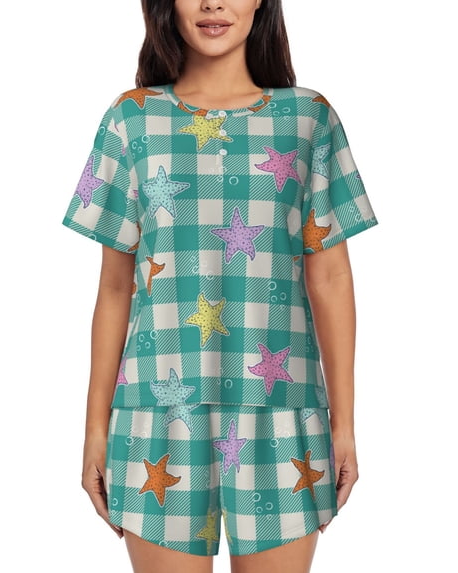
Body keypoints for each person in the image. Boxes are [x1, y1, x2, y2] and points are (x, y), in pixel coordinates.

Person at [62, 0, 378, 571]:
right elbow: (113, 289)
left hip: (282, 411)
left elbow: (331, 276)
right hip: (157, 412)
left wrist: (345, 424)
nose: (213, 3)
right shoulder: (131, 120)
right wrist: (94, 430)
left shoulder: (309, 119)